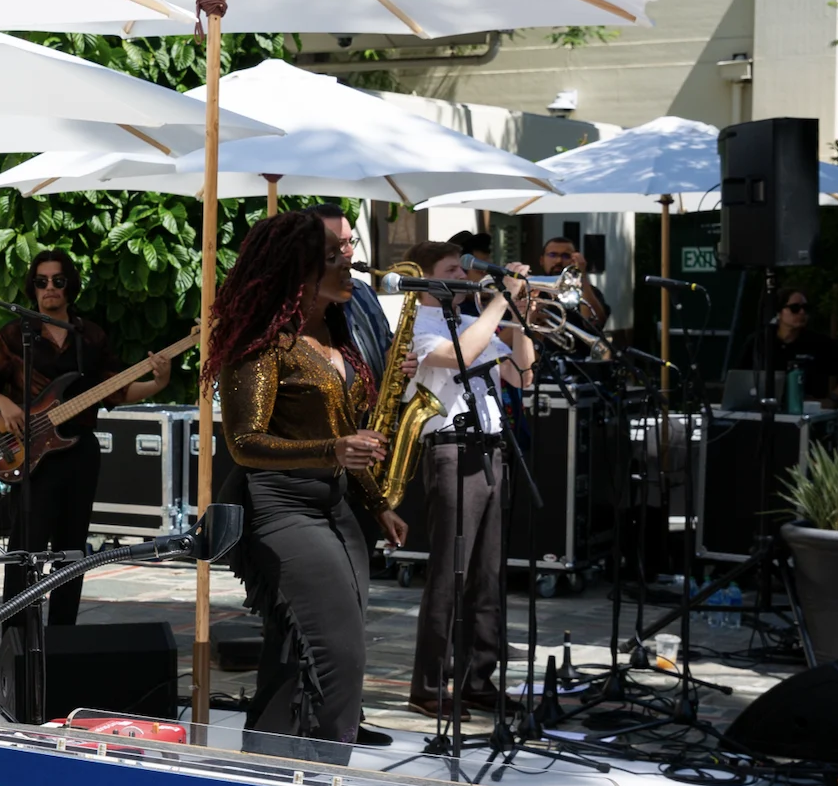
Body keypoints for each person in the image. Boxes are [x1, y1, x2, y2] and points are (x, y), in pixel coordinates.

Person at [213, 211, 409, 744]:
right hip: (280, 506)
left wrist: (378, 504)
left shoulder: (335, 332)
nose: (348, 263)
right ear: (295, 271)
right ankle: (323, 773)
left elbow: (344, 434)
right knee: (339, 656)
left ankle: (268, 764)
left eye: (344, 252)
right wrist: (333, 450)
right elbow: (243, 443)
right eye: (331, 257)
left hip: (335, 504)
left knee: (296, 651)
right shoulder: (263, 342)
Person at [0, 251, 169, 627]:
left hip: (79, 449)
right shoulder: (15, 335)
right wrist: (6, 405)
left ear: (70, 286)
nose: (49, 288)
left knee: (72, 549)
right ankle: (16, 636)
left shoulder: (90, 336)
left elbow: (116, 392)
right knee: (25, 550)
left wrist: (158, 382)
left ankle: (64, 634)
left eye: (58, 281)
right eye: (42, 281)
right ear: (33, 288)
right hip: (30, 453)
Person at [404, 240, 536, 719]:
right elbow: (458, 356)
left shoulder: (470, 320)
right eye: (452, 270)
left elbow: (521, 376)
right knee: (450, 572)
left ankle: (477, 678)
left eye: (463, 271)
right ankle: (428, 686)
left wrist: (518, 317)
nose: (463, 278)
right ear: (425, 278)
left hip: (491, 448)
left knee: (488, 574)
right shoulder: (419, 326)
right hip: (451, 450)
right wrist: (501, 300)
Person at [735, 286, 838, 405]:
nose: (802, 313)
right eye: (795, 308)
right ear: (779, 312)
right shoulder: (760, 341)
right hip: (764, 408)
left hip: (806, 411)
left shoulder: (819, 343)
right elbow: (738, 377)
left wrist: (832, 399)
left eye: (806, 308)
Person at [536, 235, 611, 331]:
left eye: (566, 256)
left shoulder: (591, 291)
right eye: (552, 255)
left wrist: (581, 275)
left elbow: (595, 324)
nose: (559, 261)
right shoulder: (531, 291)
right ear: (542, 260)